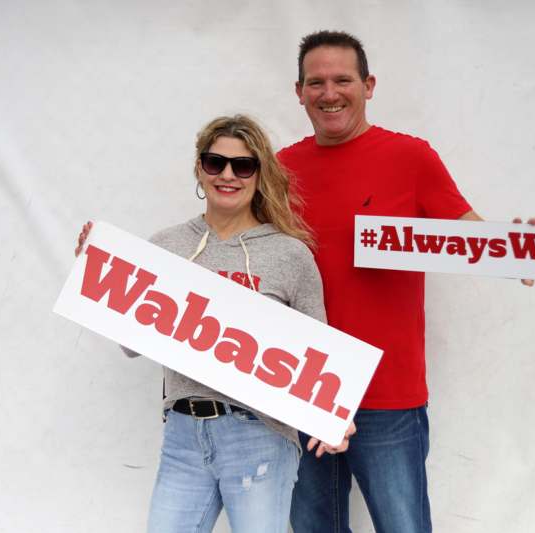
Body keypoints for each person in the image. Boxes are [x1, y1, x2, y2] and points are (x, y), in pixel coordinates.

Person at [278, 31, 535, 533]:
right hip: (303, 385)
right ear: (299, 91)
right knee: (313, 527)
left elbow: (468, 230)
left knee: (403, 526)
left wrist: (522, 251)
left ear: (369, 85)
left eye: (342, 80)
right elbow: (243, 249)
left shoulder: (410, 157)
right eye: (316, 82)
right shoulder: (282, 168)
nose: (329, 93)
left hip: (387, 391)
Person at [75, 115, 354, 533]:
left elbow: (319, 353)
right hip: (184, 435)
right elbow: (130, 345)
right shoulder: (168, 245)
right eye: (215, 162)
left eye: (243, 166)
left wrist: (335, 414)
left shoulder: (290, 255)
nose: (228, 175)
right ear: (199, 169)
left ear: (260, 174)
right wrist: (99, 273)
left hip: (258, 435)